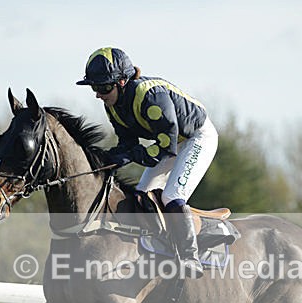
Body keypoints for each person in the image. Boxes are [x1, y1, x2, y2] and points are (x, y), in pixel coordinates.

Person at [77, 47, 218, 278]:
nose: (98, 94)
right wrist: (109, 160)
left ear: (122, 82)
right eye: (94, 87)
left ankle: (190, 256)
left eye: (102, 87)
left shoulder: (152, 97)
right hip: (172, 142)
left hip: (196, 138)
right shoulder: (113, 106)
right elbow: (127, 143)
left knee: (172, 196)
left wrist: (130, 155)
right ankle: (155, 253)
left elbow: (165, 147)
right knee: (142, 195)